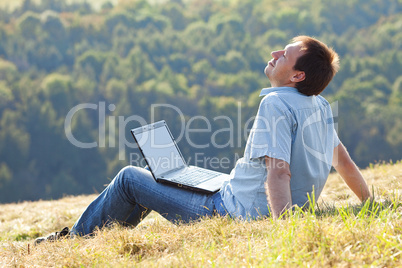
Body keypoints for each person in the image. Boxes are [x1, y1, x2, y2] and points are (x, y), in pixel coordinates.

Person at [35, 36, 371, 244]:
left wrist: (284, 232)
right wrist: (370, 203)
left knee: (128, 179)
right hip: (241, 196)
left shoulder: (276, 102)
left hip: (235, 212)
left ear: (297, 75)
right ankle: (103, 231)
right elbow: (342, 161)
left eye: (285, 54)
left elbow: (279, 172)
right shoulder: (320, 105)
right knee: (179, 174)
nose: (275, 52)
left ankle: (75, 241)